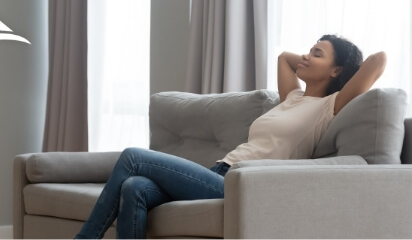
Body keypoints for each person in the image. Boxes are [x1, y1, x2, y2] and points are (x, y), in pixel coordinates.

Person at [75, 34, 387, 239]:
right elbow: (283, 58)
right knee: (135, 187)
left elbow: (379, 60)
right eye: (308, 51)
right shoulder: (292, 98)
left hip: (240, 185)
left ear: (337, 71)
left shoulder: (329, 106)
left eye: (316, 54)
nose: (304, 56)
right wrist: (315, 57)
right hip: (218, 172)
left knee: (133, 156)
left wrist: (339, 65)